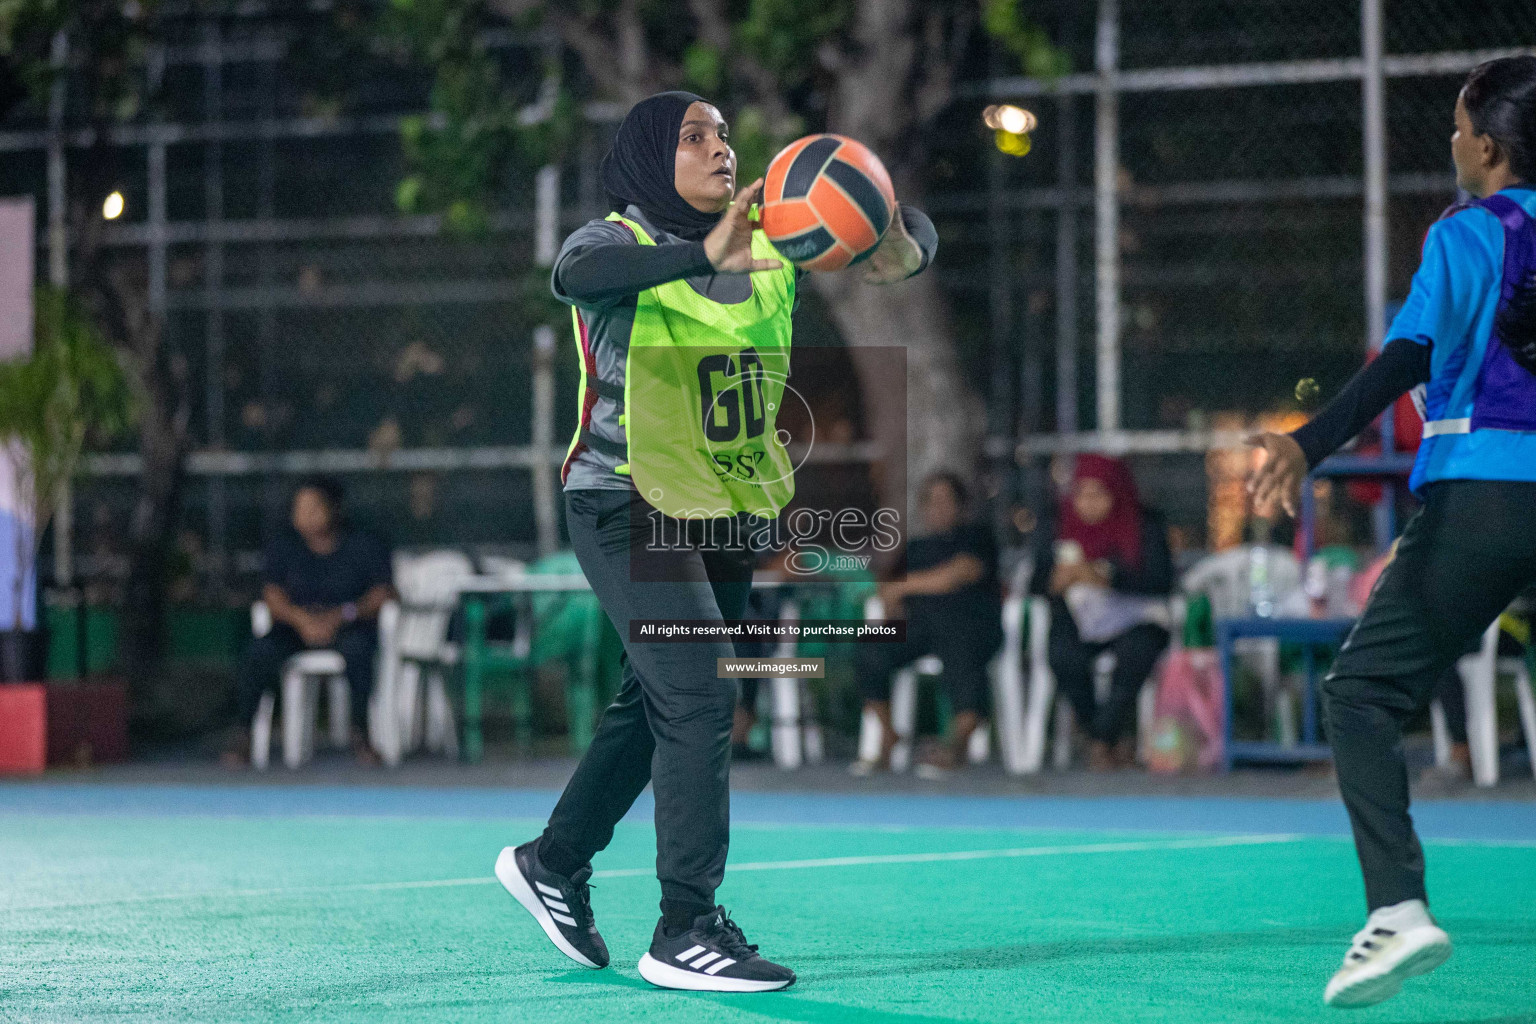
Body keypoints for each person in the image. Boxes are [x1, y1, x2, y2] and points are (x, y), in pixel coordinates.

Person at [493, 91, 937, 993]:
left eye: (727, 133)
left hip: (723, 507)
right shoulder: (609, 240)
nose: (721, 148)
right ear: (654, 156)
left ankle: (554, 860)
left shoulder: (775, 237)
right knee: (697, 696)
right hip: (626, 499)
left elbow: (908, 234)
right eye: (695, 136)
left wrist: (890, 231)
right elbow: (578, 279)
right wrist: (700, 252)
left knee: (656, 701)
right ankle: (684, 926)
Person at [1248, 56, 1536, 1008]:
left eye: (1458, 129)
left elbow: (1407, 353)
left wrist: (1306, 442)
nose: (1451, 142)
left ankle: (1398, 913)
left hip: (1489, 494)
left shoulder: (1473, 232)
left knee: (1365, 689)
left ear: (1488, 148)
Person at [227, 477, 395, 767]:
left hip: (347, 626)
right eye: (299, 508)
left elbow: (383, 593)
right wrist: (301, 620)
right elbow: (272, 595)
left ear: (334, 509)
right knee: (259, 651)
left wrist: (342, 615)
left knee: (359, 652)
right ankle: (244, 734)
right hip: (295, 628)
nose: (303, 515)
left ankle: (361, 734)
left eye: (312, 508)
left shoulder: (364, 544)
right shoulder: (284, 545)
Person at [851, 472, 1002, 777]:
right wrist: (892, 598)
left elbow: (958, 575)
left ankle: (957, 744)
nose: (938, 508)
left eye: (946, 500)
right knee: (870, 646)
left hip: (971, 625)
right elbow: (887, 589)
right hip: (921, 628)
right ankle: (887, 735)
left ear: (961, 506)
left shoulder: (977, 536)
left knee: (960, 647)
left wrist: (904, 586)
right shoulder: (915, 548)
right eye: (931, 502)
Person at [1028, 454, 1173, 770]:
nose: (1089, 503)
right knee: (1063, 655)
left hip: (1137, 618)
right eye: (1082, 494)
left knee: (1137, 652)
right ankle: (1106, 738)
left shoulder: (1143, 525)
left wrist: (1107, 577)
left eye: (1099, 494)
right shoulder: (1058, 525)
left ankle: (1100, 739)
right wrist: (1057, 580)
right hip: (1079, 620)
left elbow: (1161, 580)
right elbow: (1036, 582)